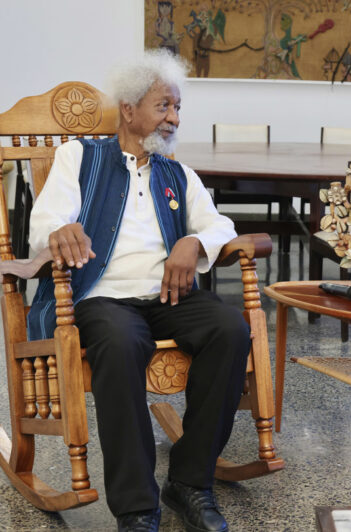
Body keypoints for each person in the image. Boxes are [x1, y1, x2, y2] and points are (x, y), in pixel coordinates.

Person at [28, 50, 246, 532]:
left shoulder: (177, 172)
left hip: (166, 297)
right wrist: (59, 231)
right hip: (101, 297)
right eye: (163, 106)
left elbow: (219, 225)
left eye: (177, 108)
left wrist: (193, 241)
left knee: (230, 327)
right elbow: (44, 221)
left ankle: (190, 482)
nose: (174, 118)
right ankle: (137, 507)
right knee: (122, 341)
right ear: (129, 109)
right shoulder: (78, 157)